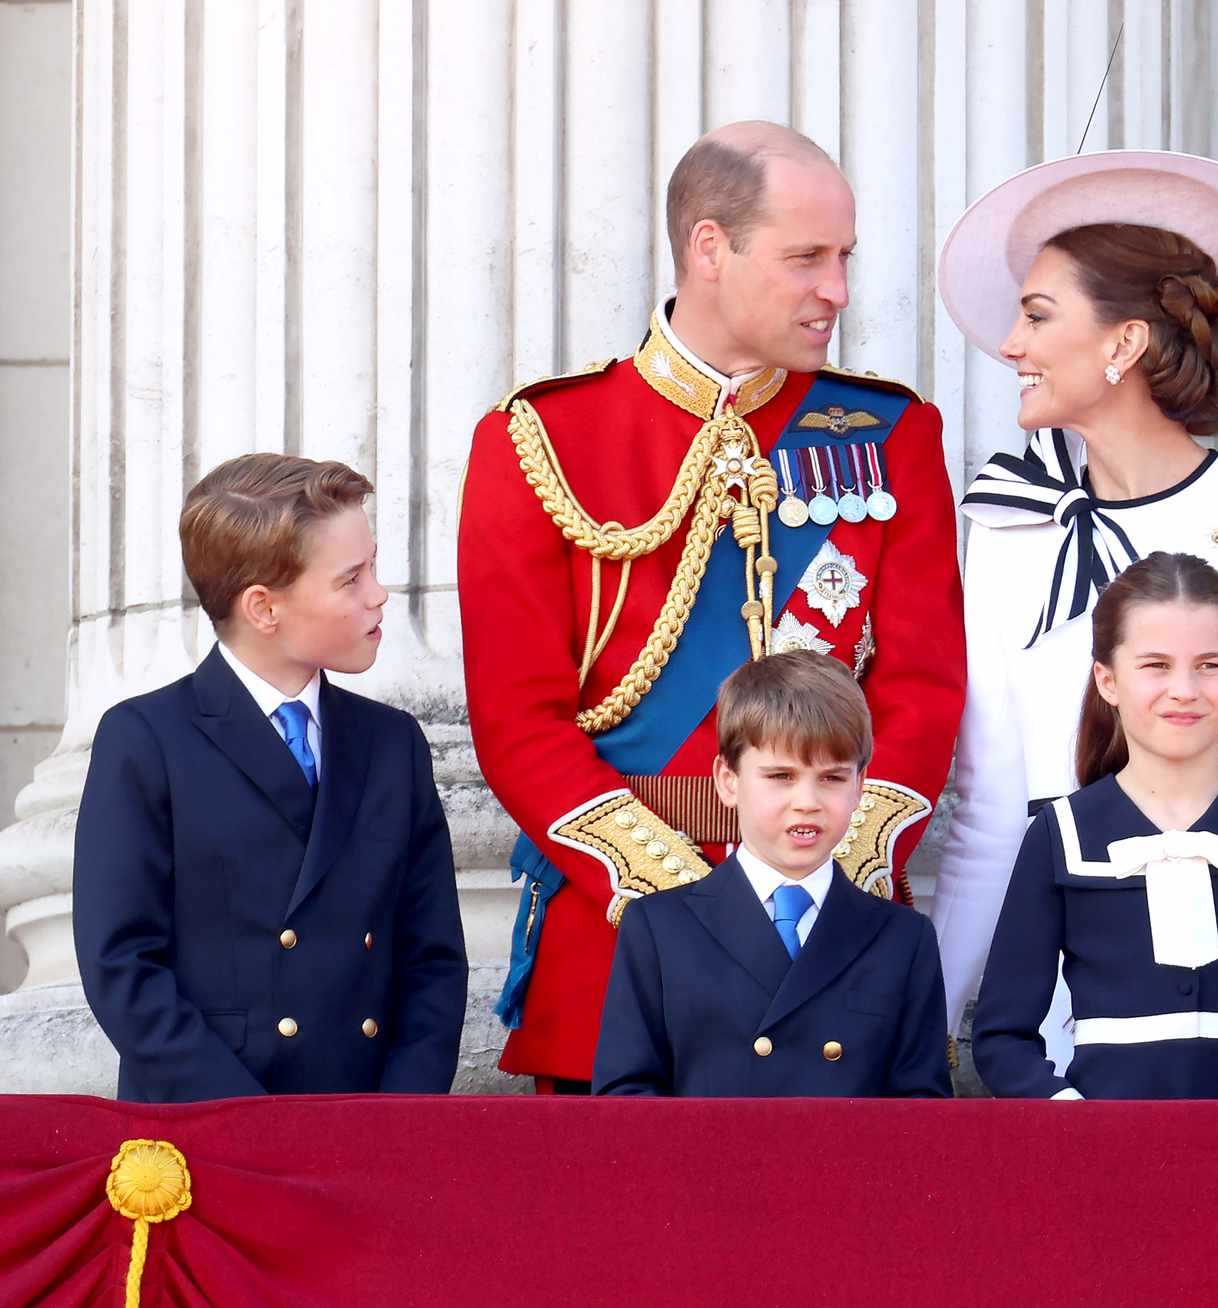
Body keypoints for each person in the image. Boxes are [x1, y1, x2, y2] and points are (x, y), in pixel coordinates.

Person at [458, 121, 964, 1092]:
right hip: (621, 939)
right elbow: (519, 723)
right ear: (708, 247)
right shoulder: (540, 441)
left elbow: (924, 693)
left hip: (835, 943)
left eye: (846, 257)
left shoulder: (891, 434)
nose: (840, 292)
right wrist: (689, 905)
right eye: (807, 257)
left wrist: (823, 876)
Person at [931, 151, 1218, 1064]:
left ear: (1123, 345)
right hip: (1054, 1022)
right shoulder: (1008, 527)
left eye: (1038, 317)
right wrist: (922, 1029)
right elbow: (992, 812)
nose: (1010, 345)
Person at [73, 454, 468, 1102]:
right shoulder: (147, 740)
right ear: (263, 608)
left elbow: (432, 963)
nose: (378, 594)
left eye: (371, 567)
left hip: (367, 1130)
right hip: (208, 1132)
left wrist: (399, 1119)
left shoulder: (392, 744)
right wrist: (252, 1127)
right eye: (350, 578)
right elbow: (122, 967)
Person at [972, 552, 1218, 1098]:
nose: (1184, 689)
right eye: (1156, 665)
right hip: (1105, 1159)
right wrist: (1071, 1120)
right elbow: (1002, 1036)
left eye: (1208, 665)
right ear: (1107, 680)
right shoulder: (1059, 833)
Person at [592, 651, 950, 1096]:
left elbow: (921, 1118)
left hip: (851, 1166)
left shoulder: (903, 939)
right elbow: (627, 1103)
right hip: (703, 1164)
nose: (807, 801)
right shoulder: (658, 928)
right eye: (781, 776)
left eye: (833, 778)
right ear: (728, 780)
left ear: (861, 786)